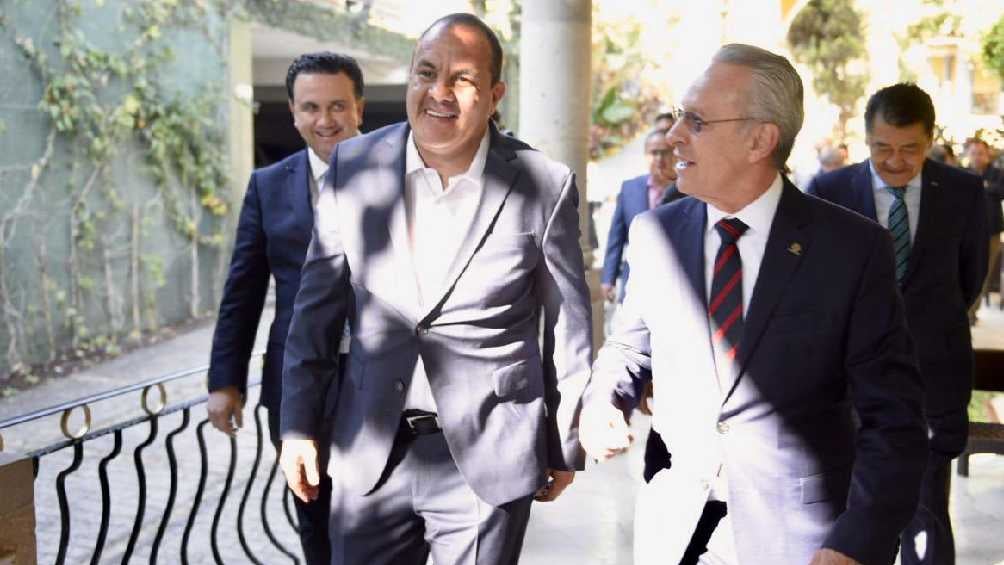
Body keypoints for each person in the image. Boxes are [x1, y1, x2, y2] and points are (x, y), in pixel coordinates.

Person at [581, 44, 928, 565]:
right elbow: (629, 348)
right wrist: (602, 403)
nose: (675, 135)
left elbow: (894, 421)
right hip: (674, 531)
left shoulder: (852, 249)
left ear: (760, 139)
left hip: (800, 542)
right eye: (680, 116)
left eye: (697, 121)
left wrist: (855, 541)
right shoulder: (655, 233)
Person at [279, 13, 592, 564]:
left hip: (487, 458)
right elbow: (315, 310)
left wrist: (566, 442)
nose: (439, 93)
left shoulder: (543, 183)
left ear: (494, 95)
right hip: (370, 452)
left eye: (462, 79)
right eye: (426, 73)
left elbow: (566, 326)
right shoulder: (354, 165)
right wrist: (299, 426)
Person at [808, 83, 987, 565]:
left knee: (926, 513)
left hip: (934, 380)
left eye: (910, 149)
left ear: (930, 139)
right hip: (849, 386)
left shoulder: (965, 192)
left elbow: (969, 278)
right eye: (882, 148)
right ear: (866, 138)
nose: (895, 161)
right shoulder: (828, 193)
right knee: (855, 516)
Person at [205, 51, 365, 565]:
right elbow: (243, 289)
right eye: (311, 107)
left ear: (359, 108)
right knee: (314, 517)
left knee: (380, 520)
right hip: (297, 384)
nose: (325, 120)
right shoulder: (268, 185)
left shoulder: (404, 171)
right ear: (293, 112)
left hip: (383, 377)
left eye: (338, 106)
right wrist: (225, 381)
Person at [601, 129, 680, 303]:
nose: (659, 158)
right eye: (654, 153)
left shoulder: (686, 189)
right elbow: (616, 236)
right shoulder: (630, 188)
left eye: (665, 152)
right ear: (645, 155)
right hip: (636, 279)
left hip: (677, 281)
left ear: (675, 154)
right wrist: (608, 279)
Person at [965, 137, 1004, 311]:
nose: (977, 157)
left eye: (980, 153)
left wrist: (982, 187)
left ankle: (972, 313)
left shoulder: (998, 174)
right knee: (966, 271)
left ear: (987, 154)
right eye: (973, 153)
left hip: (991, 231)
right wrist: (986, 187)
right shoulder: (962, 174)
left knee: (984, 273)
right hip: (966, 231)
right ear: (968, 154)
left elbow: (1000, 191)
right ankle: (967, 312)